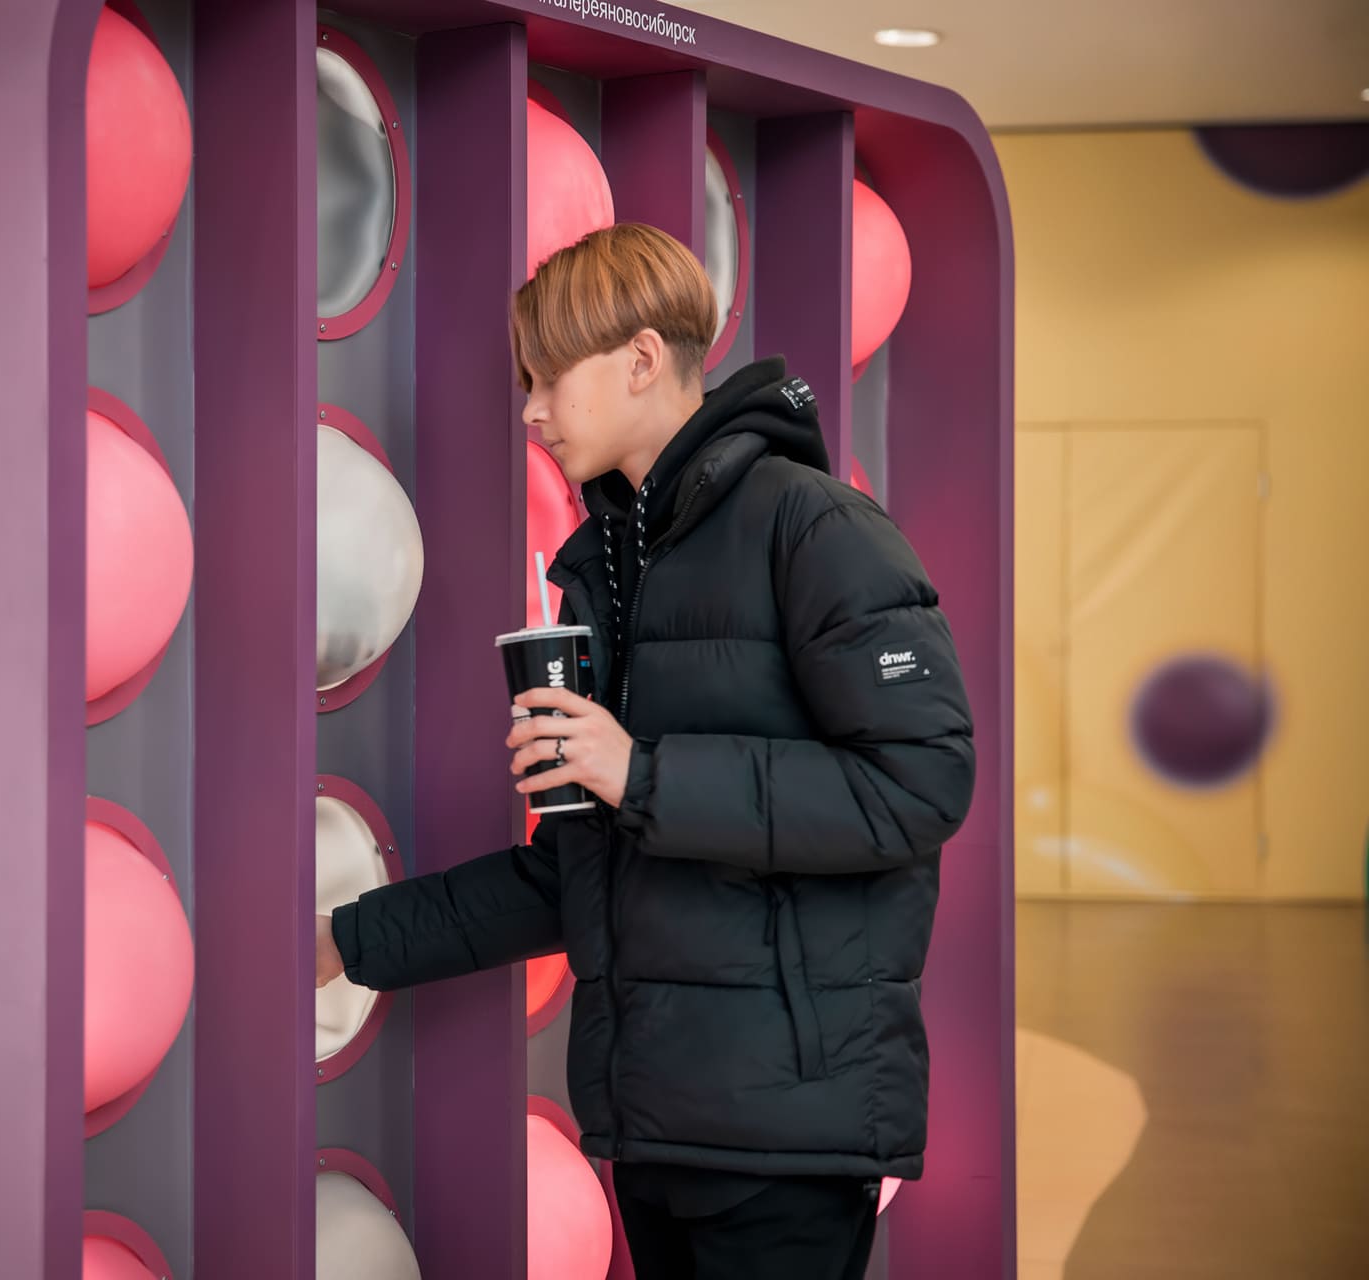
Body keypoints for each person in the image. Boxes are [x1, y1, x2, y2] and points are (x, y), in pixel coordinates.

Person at [315, 225, 974, 1279]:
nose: (530, 410)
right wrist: (347, 941)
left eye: (549, 377)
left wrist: (642, 771)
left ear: (640, 359)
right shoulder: (619, 565)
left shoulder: (815, 527)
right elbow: (586, 872)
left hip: (787, 1138)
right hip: (660, 1127)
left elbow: (923, 782)